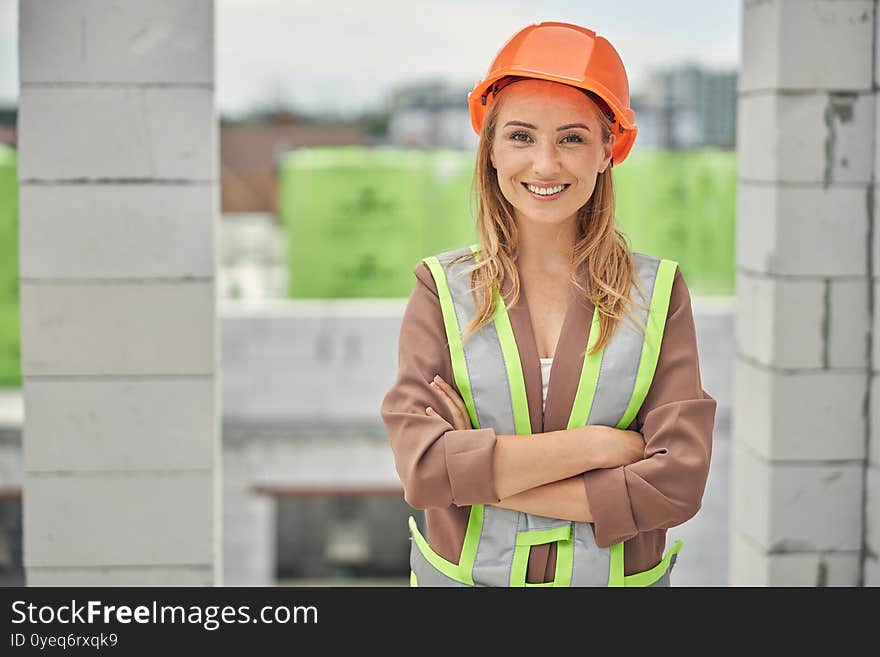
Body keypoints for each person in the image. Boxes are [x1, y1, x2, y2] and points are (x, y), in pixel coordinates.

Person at [380, 21, 716, 587]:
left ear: (609, 149)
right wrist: (601, 446)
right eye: (520, 137)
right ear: (489, 149)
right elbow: (423, 469)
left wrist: (476, 471)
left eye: (572, 138)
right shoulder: (440, 289)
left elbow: (675, 485)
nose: (544, 165)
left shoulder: (658, 295)